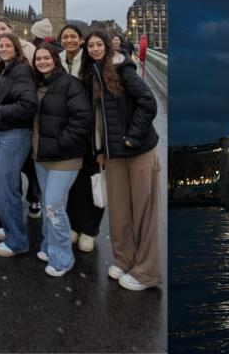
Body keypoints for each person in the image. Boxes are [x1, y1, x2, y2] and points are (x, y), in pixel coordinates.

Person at [82, 29, 162, 291]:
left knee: (143, 212)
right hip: (113, 153)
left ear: (107, 46)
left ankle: (147, 273)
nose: (94, 49)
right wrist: (101, 148)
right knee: (118, 211)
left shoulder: (123, 70)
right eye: (90, 45)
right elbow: (100, 118)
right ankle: (124, 259)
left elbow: (148, 102)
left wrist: (132, 136)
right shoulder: (93, 75)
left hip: (138, 151)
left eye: (98, 44)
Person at [31, 43, 92, 277]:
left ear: (55, 60)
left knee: (54, 206)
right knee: (48, 204)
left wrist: (61, 143)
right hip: (41, 155)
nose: (43, 62)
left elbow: (82, 118)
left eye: (46, 58)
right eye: (38, 59)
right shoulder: (38, 84)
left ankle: (63, 258)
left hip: (64, 157)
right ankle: (49, 246)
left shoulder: (69, 83)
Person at [0, 33, 37, 257]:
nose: (3, 48)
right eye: (0, 46)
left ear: (17, 49)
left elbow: (28, 104)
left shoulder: (22, 71)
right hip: (0, 132)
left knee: (5, 187)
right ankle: (9, 227)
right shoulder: (5, 68)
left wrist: (1, 111)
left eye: (8, 46)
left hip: (14, 134)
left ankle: (17, 241)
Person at [57, 23, 103, 253]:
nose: (69, 40)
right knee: (75, 180)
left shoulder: (92, 62)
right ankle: (74, 224)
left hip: (93, 131)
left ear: (81, 39)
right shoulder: (57, 61)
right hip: (70, 130)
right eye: (65, 37)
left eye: (73, 36)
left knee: (95, 181)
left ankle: (90, 229)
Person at [0, 18, 42, 218]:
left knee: (30, 163)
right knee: (13, 168)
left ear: (12, 30)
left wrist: (2, 110)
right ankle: (14, 203)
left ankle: (34, 198)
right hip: (10, 118)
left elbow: (33, 78)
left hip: (26, 114)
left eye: (3, 28)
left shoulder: (27, 50)